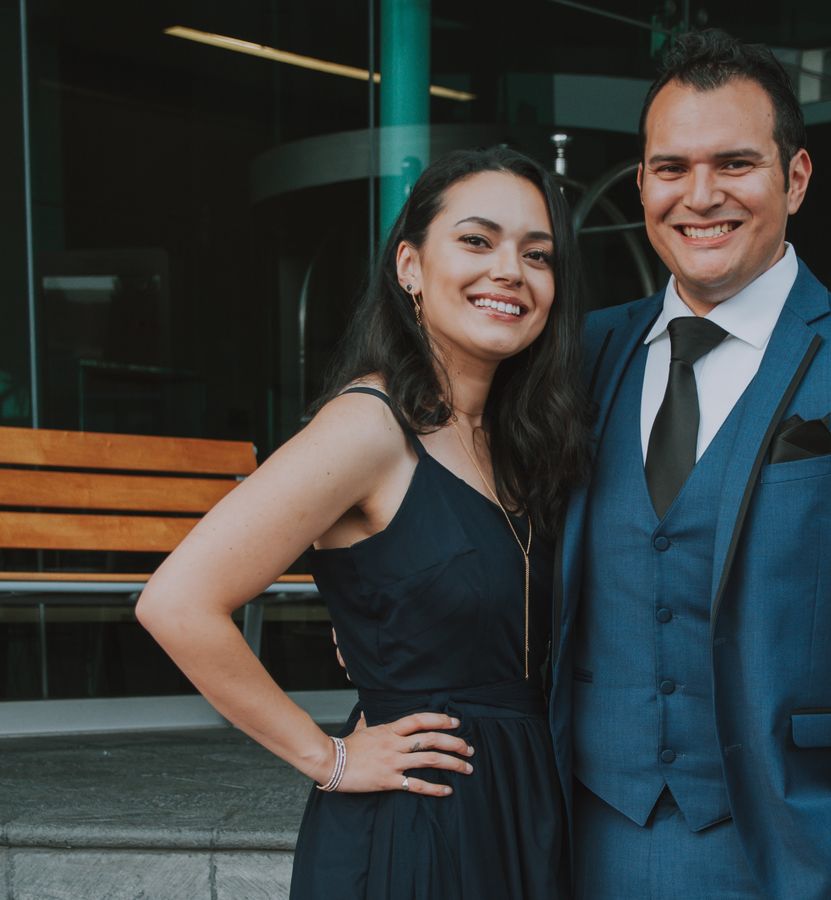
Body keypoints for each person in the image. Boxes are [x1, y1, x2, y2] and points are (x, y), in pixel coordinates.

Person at [548, 30, 831, 900]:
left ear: (796, 178)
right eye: (671, 168)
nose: (700, 195)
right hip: (581, 843)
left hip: (791, 852)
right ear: (642, 185)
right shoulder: (580, 355)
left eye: (735, 164)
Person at [137, 146, 589, 899]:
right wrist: (329, 759)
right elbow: (176, 603)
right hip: (420, 823)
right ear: (410, 266)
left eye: (537, 254)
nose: (510, 270)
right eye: (477, 241)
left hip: (521, 811)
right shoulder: (368, 427)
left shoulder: (516, 439)